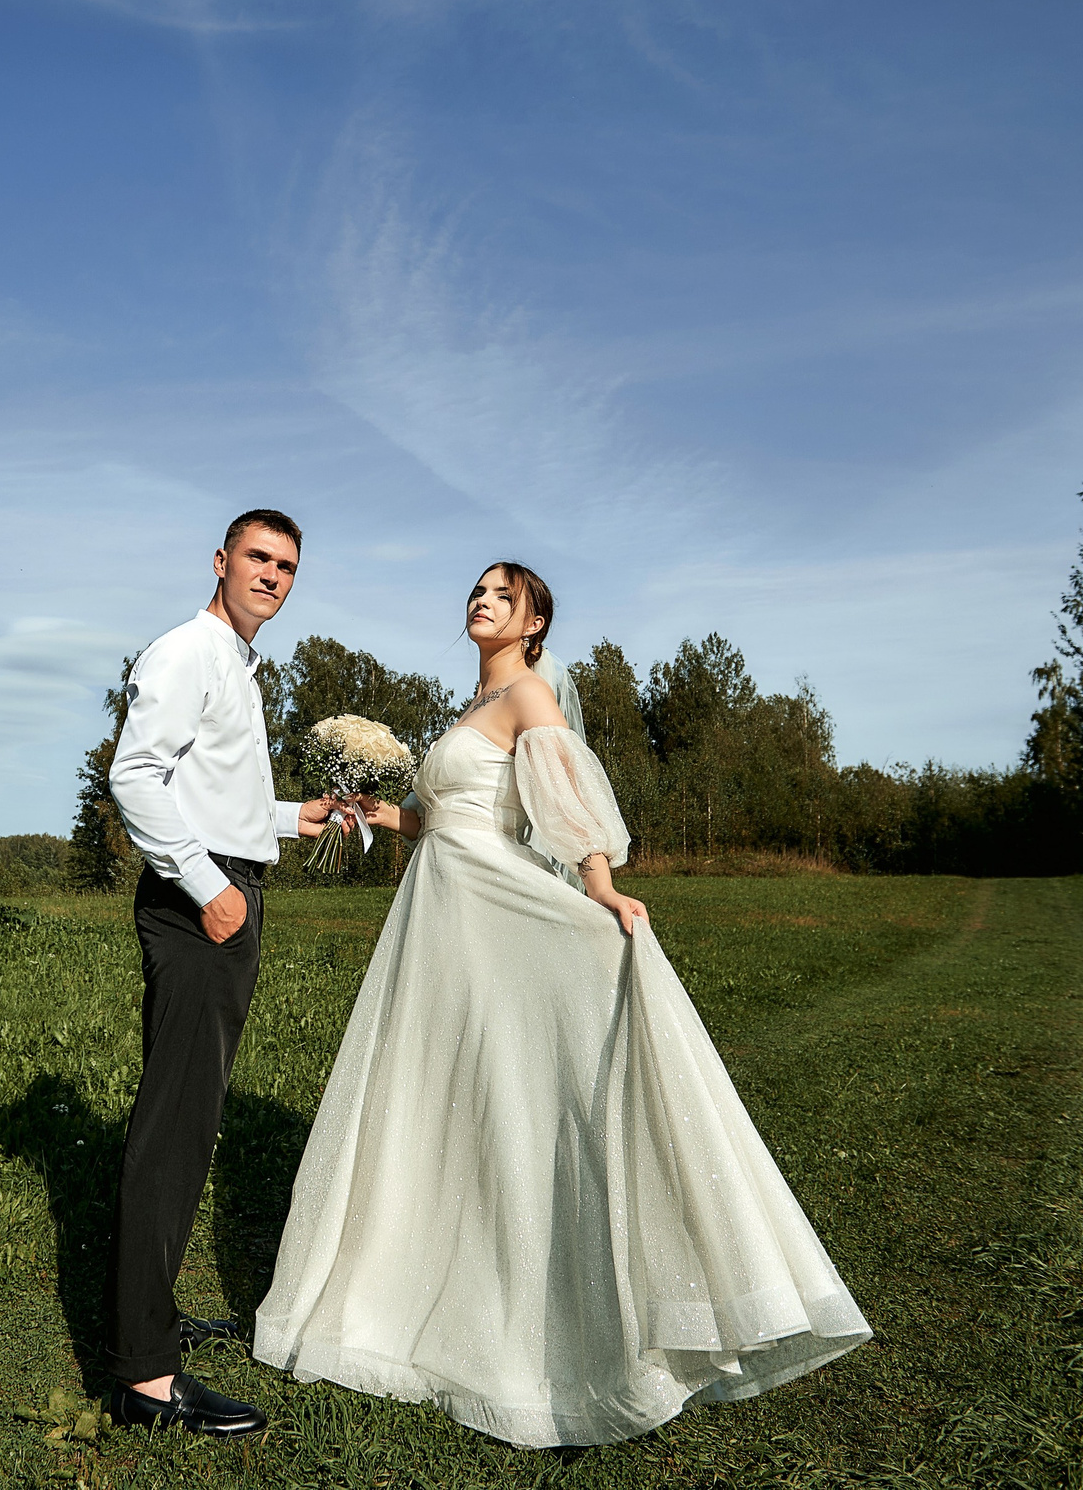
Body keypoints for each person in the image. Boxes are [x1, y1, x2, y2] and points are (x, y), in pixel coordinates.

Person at [251, 562, 871, 1448]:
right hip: (438, 915)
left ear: (534, 622)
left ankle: (545, 1317)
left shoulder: (529, 695)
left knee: (509, 1089)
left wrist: (601, 888)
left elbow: (568, 803)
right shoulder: (472, 706)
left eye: (503, 596)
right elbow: (439, 819)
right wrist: (379, 814)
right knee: (440, 1090)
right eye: (477, 591)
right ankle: (408, 1279)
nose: (482, 602)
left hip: (495, 905)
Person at [102, 509, 340, 1437]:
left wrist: (287, 818)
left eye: (287, 566)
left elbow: (211, 787)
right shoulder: (187, 652)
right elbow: (136, 776)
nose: (272, 575)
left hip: (228, 893)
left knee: (191, 1123)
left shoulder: (237, 663)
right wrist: (211, 890)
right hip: (199, 905)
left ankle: (150, 1322)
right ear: (220, 560)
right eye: (258, 557)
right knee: (172, 1130)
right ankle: (145, 1376)